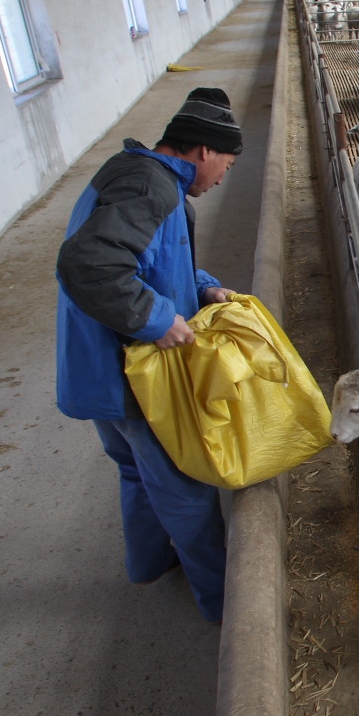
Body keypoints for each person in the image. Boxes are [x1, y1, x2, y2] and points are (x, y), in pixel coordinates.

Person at [55, 87, 243, 624]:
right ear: (204, 151)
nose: (223, 177)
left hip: (94, 371)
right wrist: (158, 320)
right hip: (132, 378)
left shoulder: (133, 172)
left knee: (136, 473)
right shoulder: (150, 187)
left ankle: (150, 564)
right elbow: (89, 263)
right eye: (226, 165)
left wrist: (201, 286)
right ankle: (228, 607)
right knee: (185, 489)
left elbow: (148, 262)